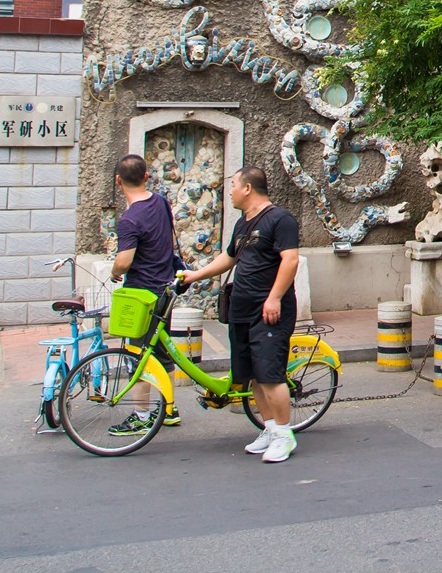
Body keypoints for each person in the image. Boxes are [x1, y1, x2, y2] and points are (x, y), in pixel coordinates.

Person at [179, 167, 302, 462]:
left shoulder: (280, 219)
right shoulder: (242, 223)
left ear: (248, 188)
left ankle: (285, 437)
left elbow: (291, 259)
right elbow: (229, 257)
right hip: (242, 309)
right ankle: (270, 429)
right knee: (254, 376)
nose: (229, 191)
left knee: (271, 375)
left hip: (269, 310)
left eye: (232, 185)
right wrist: (195, 275)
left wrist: (274, 298)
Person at [107, 154, 183, 435]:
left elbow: (125, 261)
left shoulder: (129, 219)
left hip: (143, 294)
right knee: (163, 352)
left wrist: (115, 271)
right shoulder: (161, 202)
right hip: (166, 289)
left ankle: (141, 415)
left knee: (138, 354)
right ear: (146, 176)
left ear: (118, 181)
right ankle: (169, 409)